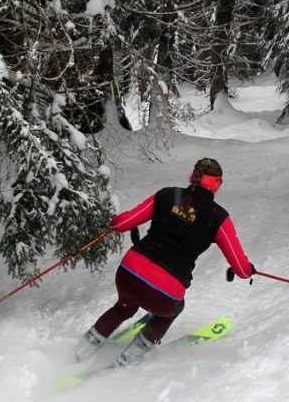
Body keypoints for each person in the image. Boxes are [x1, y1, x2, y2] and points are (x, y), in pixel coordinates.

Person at [75, 157, 255, 366]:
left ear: (193, 175)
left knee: (124, 307)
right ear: (217, 183)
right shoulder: (218, 217)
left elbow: (120, 223)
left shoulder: (168, 195)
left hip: (129, 275)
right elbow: (242, 269)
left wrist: (116, 224)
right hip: (164, 293)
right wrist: (249, 270)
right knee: (174, 309)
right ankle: (131, 355)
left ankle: (84, 349)